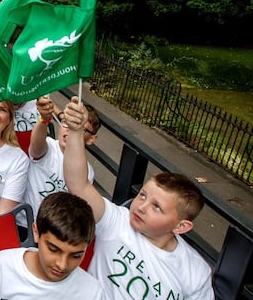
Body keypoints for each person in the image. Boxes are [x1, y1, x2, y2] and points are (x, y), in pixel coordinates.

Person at [62, 96, 214, 300]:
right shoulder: (117, 222)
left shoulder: (196, 273)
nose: (141, 207)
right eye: (142, 195)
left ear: (181, 227)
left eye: (157, 207)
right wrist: (75, 131)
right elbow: (78, 184)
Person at [0, 192, 105, 300]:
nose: (62, 264)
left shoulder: (92, 292)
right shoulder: (4, 264)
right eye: (53, 249)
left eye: (76, 255)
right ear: (36, 232)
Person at [24, 96, 97, 218]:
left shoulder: (87, 172)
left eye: (81, 128)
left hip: (53, 229)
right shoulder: (49, 146)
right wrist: (44, 120)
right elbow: (36, 149)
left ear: (92, 139)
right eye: (65, 123)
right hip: (25, 222)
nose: (69, 129)